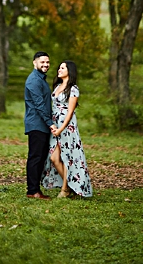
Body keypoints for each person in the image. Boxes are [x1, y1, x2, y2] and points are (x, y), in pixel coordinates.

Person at [41, 60, 93, 198]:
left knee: (67, 157)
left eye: (62, 68)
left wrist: (61, 129)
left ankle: (65, 189)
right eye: (59, 68)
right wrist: (53, 126)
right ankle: (72, 187)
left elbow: (70, 112)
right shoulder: (57, 86)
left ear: (69, 70)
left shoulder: (73, 89)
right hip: (55, 124)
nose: (59, 70)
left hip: (66, 126)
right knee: (54, 158)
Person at [24, 51, 52, 200]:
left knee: (40, 157)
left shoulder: (41, 79)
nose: (45, 65)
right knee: (35, 157)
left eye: (47, 62)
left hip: (42, 124)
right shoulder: (34, 80)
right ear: (34, 63)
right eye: (42, 62)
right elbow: (39, 105)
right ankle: (32, 191)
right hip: (37, 124)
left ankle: (36, 189)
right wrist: (50, 124)